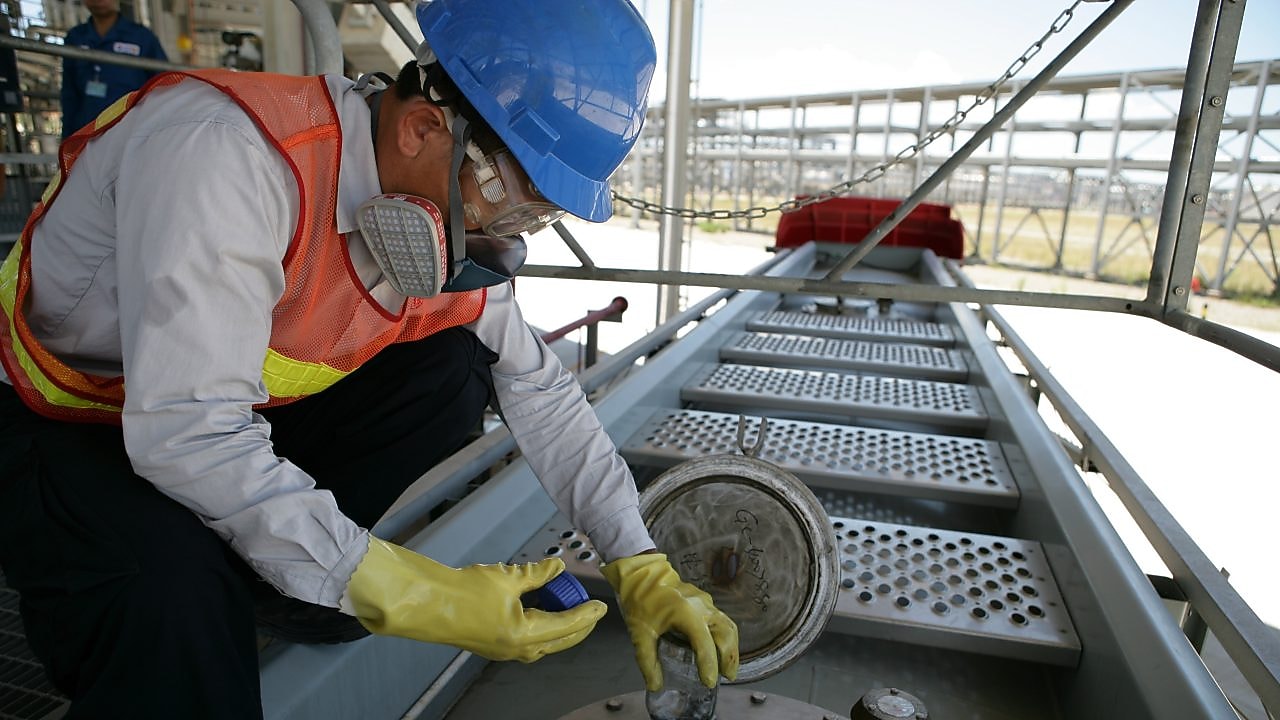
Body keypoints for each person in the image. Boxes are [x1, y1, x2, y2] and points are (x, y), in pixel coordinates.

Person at [0, 0, 738, 717]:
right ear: (422, 127)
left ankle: (288, 583)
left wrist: (636, 560)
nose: (507, 237)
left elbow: (541, 392)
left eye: (536, 222)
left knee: (454, 362)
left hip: (223, 412)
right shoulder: (230, 156)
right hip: (68, 417)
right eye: (509, 208)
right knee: (168, 591)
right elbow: (189, 430)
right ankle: (235, 584)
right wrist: (404, 589)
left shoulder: (437, 217)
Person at [60, 0, 167, 138]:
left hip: (131, 130)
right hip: (88, 132)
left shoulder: (142, 37)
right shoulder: (75, 38)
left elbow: (164, 85)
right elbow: (69, 95)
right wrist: (67, 138)